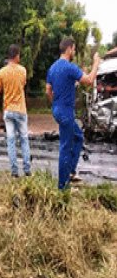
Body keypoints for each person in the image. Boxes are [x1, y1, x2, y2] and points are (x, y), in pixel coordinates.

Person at [46, 37, 101, 190]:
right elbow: (89, 80)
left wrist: (56, 103)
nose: (75, 52)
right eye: (74, 49)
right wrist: (96, 62)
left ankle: (70, 171)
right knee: (65, 146)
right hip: (65, 111)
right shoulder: (70, 67)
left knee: (78, 137)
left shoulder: (53, 68)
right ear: (69, 49)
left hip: (57, 109)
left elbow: (48, 90)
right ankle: (62, 186)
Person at [0, 44, 31, 177]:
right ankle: (27, 169)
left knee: (11, 141)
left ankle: (14, 172)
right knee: (24, 140)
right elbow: (23, 83)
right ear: (16, 56)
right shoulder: (23, 70)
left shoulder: (2, 72)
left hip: (8, 110)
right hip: (21, 110)